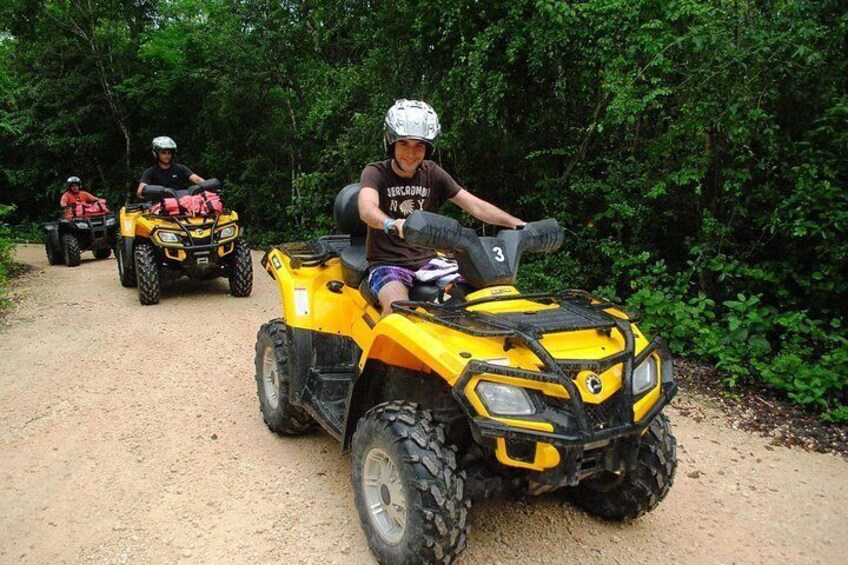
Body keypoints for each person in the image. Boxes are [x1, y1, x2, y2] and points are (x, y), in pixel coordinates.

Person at [359, 99, 525, 316]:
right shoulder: (376, 172)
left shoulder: (432, 172)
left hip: (429, 261)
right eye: (404, 144)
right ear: (391, 143)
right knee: (397, 309)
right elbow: (367, 208)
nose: (411, 153)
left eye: (419, 145)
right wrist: (391, 223)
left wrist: (519, 225)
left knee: (491, 290)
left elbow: (476, 206)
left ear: (428, 147)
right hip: (388, 263)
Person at [136, 136, 205, 198]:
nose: (167, 156)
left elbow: (197, 179)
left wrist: (208, 185)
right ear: (156, 154)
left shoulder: (180, 168)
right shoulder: (150, 172)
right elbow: (140, 191)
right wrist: (152, 193)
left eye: (169, 153)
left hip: (181, 204)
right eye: (163, 153)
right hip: (159, 207)